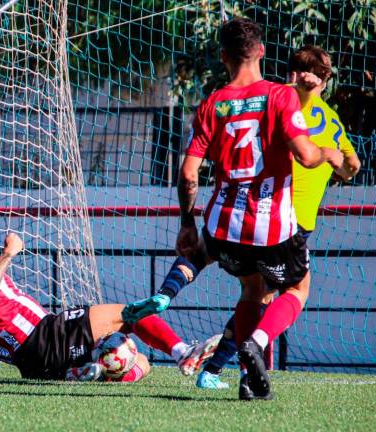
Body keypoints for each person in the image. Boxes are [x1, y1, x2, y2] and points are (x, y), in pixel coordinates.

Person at [124, 18, 344, 400]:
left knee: (249, 288)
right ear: (261, 51)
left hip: (224, 223)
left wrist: (186, 223)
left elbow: (189, 174)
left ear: (223, 56)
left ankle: (241, 371)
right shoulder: (280, 95)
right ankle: (256, 343)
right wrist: (329, 152)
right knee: (296, 286)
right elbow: (308, 158)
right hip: (271, 226)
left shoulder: (211, 105)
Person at [0, 213, 222, 382]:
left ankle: (90, 370)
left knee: (139, 363)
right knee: (131, 312)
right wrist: (8, 254)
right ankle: (183, 353)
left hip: (29, 366)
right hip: (44, 335)